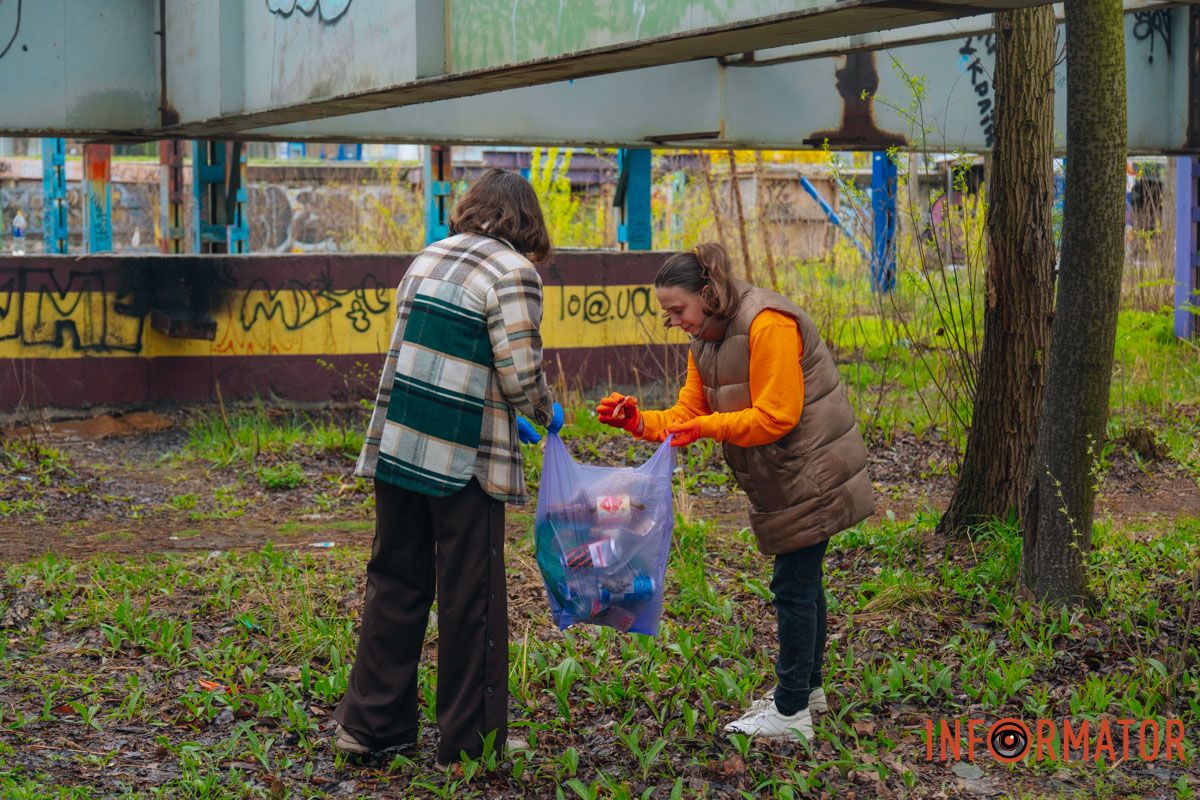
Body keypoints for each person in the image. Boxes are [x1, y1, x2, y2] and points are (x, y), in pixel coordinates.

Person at [596, 242, 874, 741]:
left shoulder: (766, 322)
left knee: (793, 587)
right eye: (667, 313)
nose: (674, 320)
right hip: (785, 476)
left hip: (812, 470)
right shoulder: (705, 338)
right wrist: (638, 422)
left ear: (708, 293)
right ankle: (807, 691)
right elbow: (686, 416)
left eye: (677, 309)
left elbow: (777, 415)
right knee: (803, 584)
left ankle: (790, 714)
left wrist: (709, 428)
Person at [335, 169, 563, 766]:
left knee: (396, 582)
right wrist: (543, 410)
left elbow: (434, 352)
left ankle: (371, 728)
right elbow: (519, 371)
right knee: (472, 598)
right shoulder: (513, 272)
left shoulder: (428, 257)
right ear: (526, 221)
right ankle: (470, 743)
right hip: (462, 460)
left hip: (399, 444)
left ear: (471, 209)